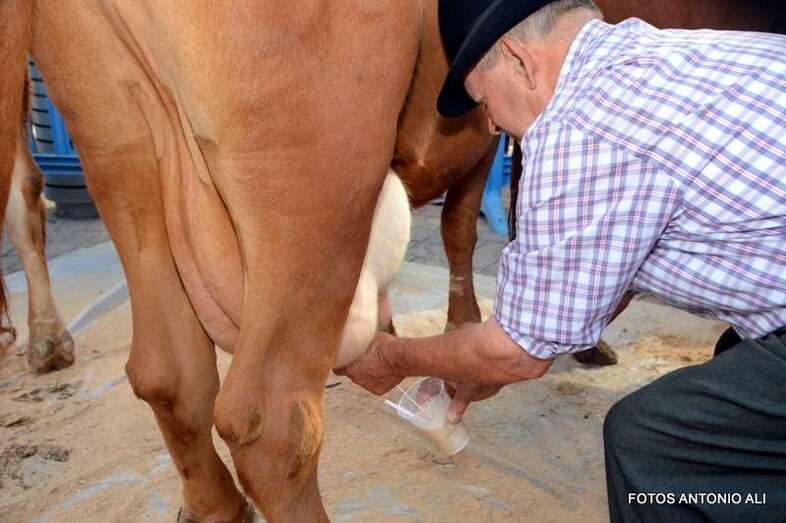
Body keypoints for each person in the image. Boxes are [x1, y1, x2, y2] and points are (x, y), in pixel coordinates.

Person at [337, 0, 786, 520]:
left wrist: (391, 358)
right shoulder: (654, 54)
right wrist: (505, 355)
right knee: (734, 373)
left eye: (484, 100)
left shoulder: (579, 128)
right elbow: (598, 277)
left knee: (652, 443)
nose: (490, 124)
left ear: (519, 61)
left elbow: (520, 352)